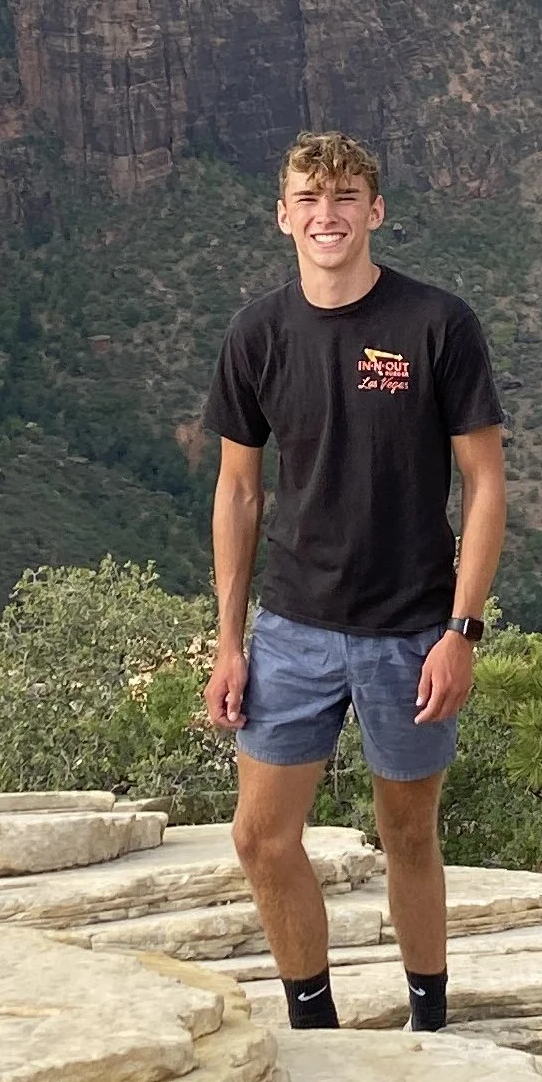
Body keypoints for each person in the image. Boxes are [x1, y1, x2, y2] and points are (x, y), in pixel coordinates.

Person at [201, 129, 506, 1032]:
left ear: (375, 211)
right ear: (282, 216)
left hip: (411, 632)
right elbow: (238, 489)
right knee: (261, 838)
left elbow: (484, 482)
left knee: (409, 833)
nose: (326, 217)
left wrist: (463, 631)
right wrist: (227, 640)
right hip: (291, 628)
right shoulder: (258, 333)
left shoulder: (435, 324)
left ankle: (428, 1021)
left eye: (344, 200)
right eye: (309, 199)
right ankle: (314, 1025)